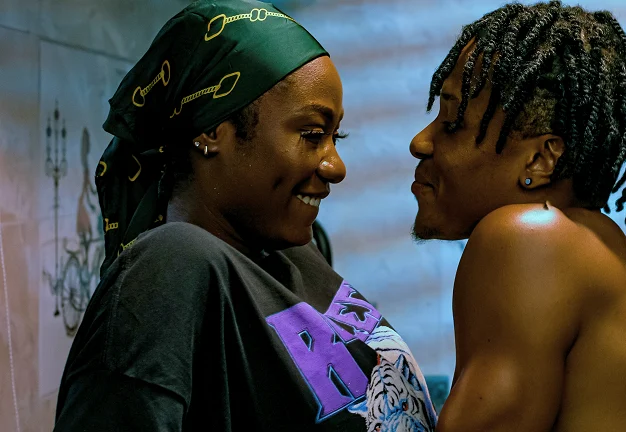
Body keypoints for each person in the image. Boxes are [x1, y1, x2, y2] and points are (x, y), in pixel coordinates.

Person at [54, 2, 437, 431]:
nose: (336, 166)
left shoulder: (291, 253)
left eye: (336, 136)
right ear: (212, 130)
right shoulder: (171, 266)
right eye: (312, 135)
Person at [409, 1, 626, 431]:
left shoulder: (530, 238)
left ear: (539, 160)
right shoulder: (599, 244)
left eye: (451, 122)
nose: (420, 142)